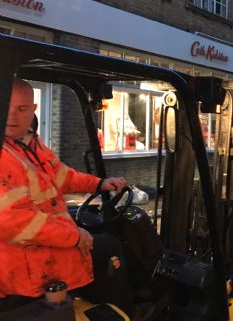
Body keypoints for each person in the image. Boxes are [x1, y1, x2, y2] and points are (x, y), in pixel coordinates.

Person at [0, 78, 150, 319]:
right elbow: (12, 222)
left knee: (92, 227)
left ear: (33, 110)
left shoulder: (28, 142)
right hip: (22, 263)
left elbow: (61, 176)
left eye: (21, 109)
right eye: (6, 106)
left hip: (36, 247)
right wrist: (74, 236)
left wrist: (99, 184)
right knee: (108, 246)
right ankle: (125, 312)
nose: (12, 116)